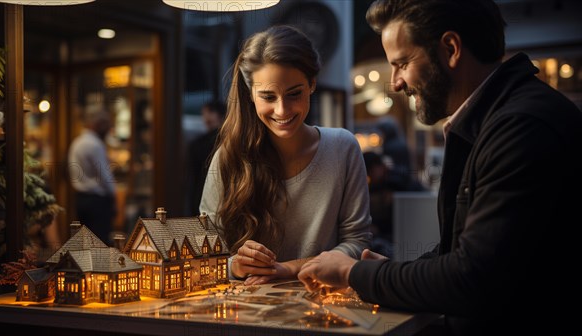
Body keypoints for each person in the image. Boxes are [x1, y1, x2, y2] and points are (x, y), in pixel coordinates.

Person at [298, 0, 582, 335]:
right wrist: (390, 273)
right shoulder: (495, 120)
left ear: (450, 48)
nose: (397, 83)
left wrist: (351, 273)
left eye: (402, 63)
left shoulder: (521, 127)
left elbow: (472, 279)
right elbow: (458, 254)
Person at [200, 25, 372, 286]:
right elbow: (204, 254)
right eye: (268, 96)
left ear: (312, 84)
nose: (282, 110)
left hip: (323, 308)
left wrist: (288, 269)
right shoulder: (228, 158)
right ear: (250, 96)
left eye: (294, 94)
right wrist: (235, 264)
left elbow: (358, 243)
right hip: (246, 315)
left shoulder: (342, 148)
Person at [68, 106, 117, 244]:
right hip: (97, 202)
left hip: (81, 199)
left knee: (85, 243)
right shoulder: (94, 144)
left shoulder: (77, 142)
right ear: (96, 124)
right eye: (105, 124)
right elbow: (105, 177)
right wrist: (114, 197)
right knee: (100, 243)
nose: (107, 128)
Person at [187, 100, 226, 214]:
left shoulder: (198, 144)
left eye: (208, 113)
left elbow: (193, 178)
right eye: (204, 114)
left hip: (204, 193)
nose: (205, 118)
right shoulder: (233, 141)